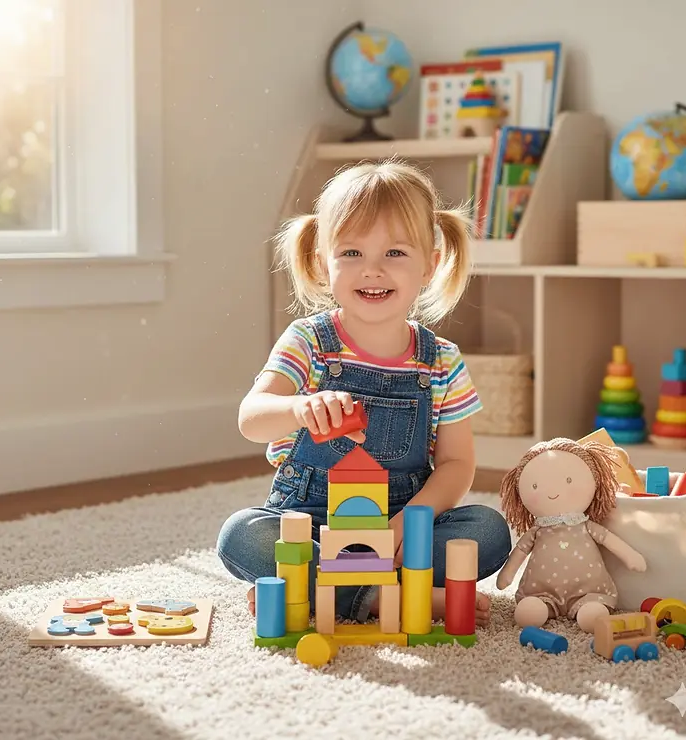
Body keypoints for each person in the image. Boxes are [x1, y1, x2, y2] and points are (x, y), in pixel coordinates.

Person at [217, 159, 511, 627]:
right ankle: (379, 597)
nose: (371, 270)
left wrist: (406, 526)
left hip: (403, 522)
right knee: (242, 536)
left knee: (489, 531)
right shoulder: (308, 340)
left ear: (430, 266)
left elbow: (458, 465)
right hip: (311, 521)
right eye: (351, 253)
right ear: (322, 262)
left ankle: (323, 590)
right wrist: (299, 406)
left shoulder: (441, 359)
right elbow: (251, 418)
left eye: (395, 253)